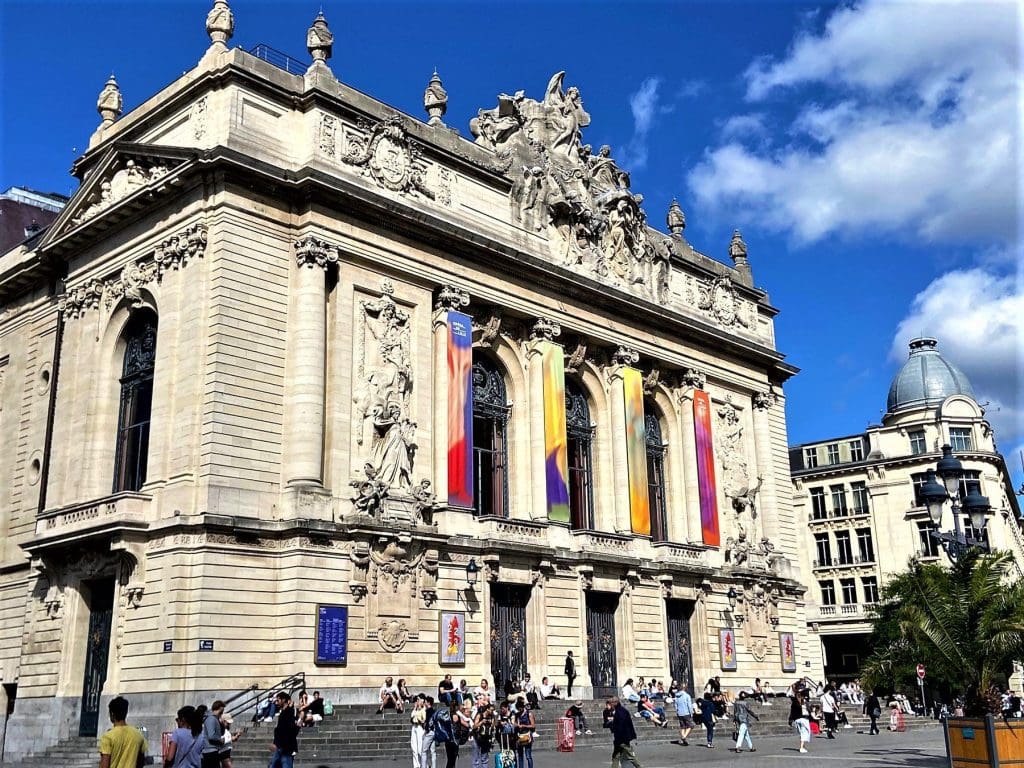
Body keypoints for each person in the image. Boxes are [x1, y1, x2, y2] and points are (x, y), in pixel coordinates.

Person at [98, 696, 148, 768]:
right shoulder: (138, 734)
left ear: (112, 714)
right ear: (126, 712)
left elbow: (104, 766)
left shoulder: (107, 737)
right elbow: (141, 762)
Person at [603, 696, 642, 768]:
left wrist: (617, 738)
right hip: (622, 737)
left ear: (615, 703)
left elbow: (620, 727)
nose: (611, 705)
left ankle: (639, 766)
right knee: (616, 756)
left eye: (612, 703)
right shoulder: (622, 710)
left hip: (622, 738)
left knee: (630, 756)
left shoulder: (620, 712)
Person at [269, 691, 299, 768]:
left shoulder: (289, 712)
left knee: (284, 765)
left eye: (278, 700)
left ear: (283, 700)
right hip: (280, 747)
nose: (276, 702)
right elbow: (279, 730)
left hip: (286, 748)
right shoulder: (283, 712)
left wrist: (278, 744)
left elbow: (291, 730)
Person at [200, 700, 226, 768]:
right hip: (210, 751)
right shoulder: (211, 718)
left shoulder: (216, 718)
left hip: (214, 750)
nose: (223, 711)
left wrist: (222, 725)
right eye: (223, 709)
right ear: (220, 708)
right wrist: (220, 740)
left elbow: (221, 733)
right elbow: (211, 736)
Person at [471, 701, 495, 768]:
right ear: (487, 709)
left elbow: (493, 727)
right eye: (491, 710)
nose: (492, 711)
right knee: (475, 758)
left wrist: (491, 723)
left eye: (493, 710)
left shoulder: (492, 716)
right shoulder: (480, 715)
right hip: (477, 738)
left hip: (486, 738)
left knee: (485, 758)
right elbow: (474, 726)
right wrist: (481, 722)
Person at [514, 696, 535, 768]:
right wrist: (517, 725)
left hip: (527, 735)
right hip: (520, 736)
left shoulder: (529, 714)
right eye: (518, 708)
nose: (519, 710)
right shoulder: (517, 715)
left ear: (523, 707)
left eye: (520, 708)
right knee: (520, 755)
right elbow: (514, 723)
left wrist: (524, 726)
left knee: (528, 755)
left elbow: (533, 725)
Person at [672, 681, 695, 746]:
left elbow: (675, 705)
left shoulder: (676, 696)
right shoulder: (687, 696)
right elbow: (689, 705)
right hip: (686, 713)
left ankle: (684, 740)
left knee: (683, 727)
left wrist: (677, 711)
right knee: (691, 725)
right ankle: (684, 736)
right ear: (685, 688)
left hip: (679, 713)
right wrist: (691, 713)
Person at [419, 696, 437, 768]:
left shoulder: (428, 711)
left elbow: (429, 722)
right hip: (434, 731)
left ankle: (423, 766)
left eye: (425, 702)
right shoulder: (434, 711)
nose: (424, 703)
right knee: (433, 751)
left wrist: (426, 731)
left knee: (424, 751)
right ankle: (434, 766)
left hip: (429, 732)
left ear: (428, 703)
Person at [411, 697, 428, 768]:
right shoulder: (416, 710)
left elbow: (424, 720)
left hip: (420, 727)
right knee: (414, 747)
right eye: (417, 700)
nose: (417, 702)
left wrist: (419, 720)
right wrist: (415, 708)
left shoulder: (423, 710)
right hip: (414, 727)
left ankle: (425, 765)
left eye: (419, 700)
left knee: (420, 748)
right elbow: (411, 716)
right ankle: (416, 766)